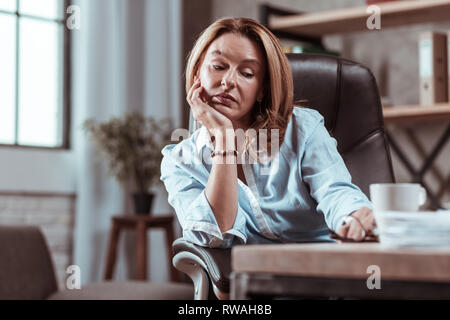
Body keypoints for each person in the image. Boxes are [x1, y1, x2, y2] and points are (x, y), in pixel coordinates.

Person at [160, 17, 377, 248]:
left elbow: (334, 191)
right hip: (251, 278)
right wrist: (225, 140)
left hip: (321, 269)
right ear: (196, 75)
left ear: (261, 90)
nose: (228, 81)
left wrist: (354, 216)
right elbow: (216, 234)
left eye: (247, 73)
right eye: (219, 66)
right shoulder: (179, 162)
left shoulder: (303, 128)